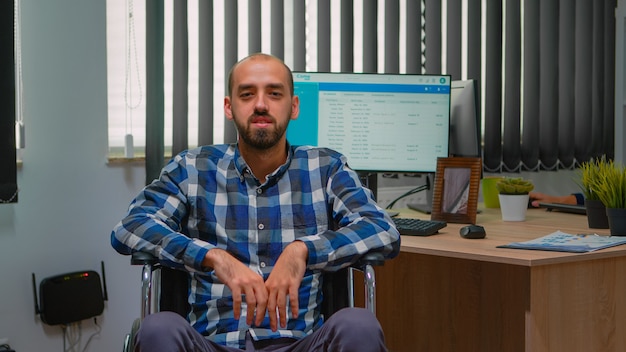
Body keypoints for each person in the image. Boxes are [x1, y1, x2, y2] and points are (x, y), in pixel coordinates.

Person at [111, 53, 401, 352]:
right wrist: (213, 257)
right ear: (229, 106)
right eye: (247, 94)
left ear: (294, 106)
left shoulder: (326, 167)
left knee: (359, 324)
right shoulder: (192, 168)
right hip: (211, 343)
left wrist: (303, 250)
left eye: (274, 94)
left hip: (301, 343)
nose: (261, 104)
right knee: (157, 328)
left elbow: (381, 230)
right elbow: (131, 227)